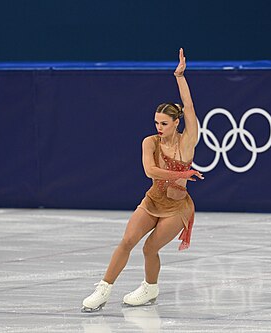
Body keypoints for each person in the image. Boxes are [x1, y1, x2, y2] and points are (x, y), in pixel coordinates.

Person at [81, 48, 204, 312]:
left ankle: (150, 288)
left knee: (149, 248)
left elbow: (190, 107)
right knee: (127, 241)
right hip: (153, 200)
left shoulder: (188, 141)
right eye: (156, 122)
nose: (159, 128)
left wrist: (180, 77)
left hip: (177, 207)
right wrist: (183, 174)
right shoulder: (150, 142)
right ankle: (103, 289)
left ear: (176, 122)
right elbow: (151, 171)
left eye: (164, 123)